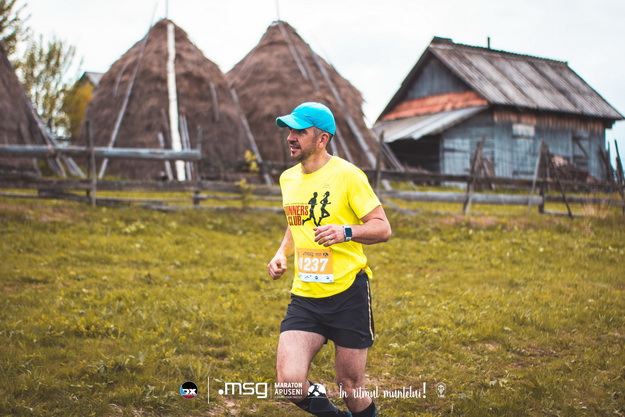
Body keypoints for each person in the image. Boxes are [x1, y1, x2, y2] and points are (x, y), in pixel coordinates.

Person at [267, 102, 391, 417]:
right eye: (290, 131)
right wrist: (281, 252)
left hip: (347, 293)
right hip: (306, 296)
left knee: (350, 386)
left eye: (300, 131)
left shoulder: (348, 175)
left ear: (322, 139)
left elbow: (382, 228)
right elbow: (296, 222)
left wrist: (346, 231)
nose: (291, 137)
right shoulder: (288, 179)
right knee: (289, 384)